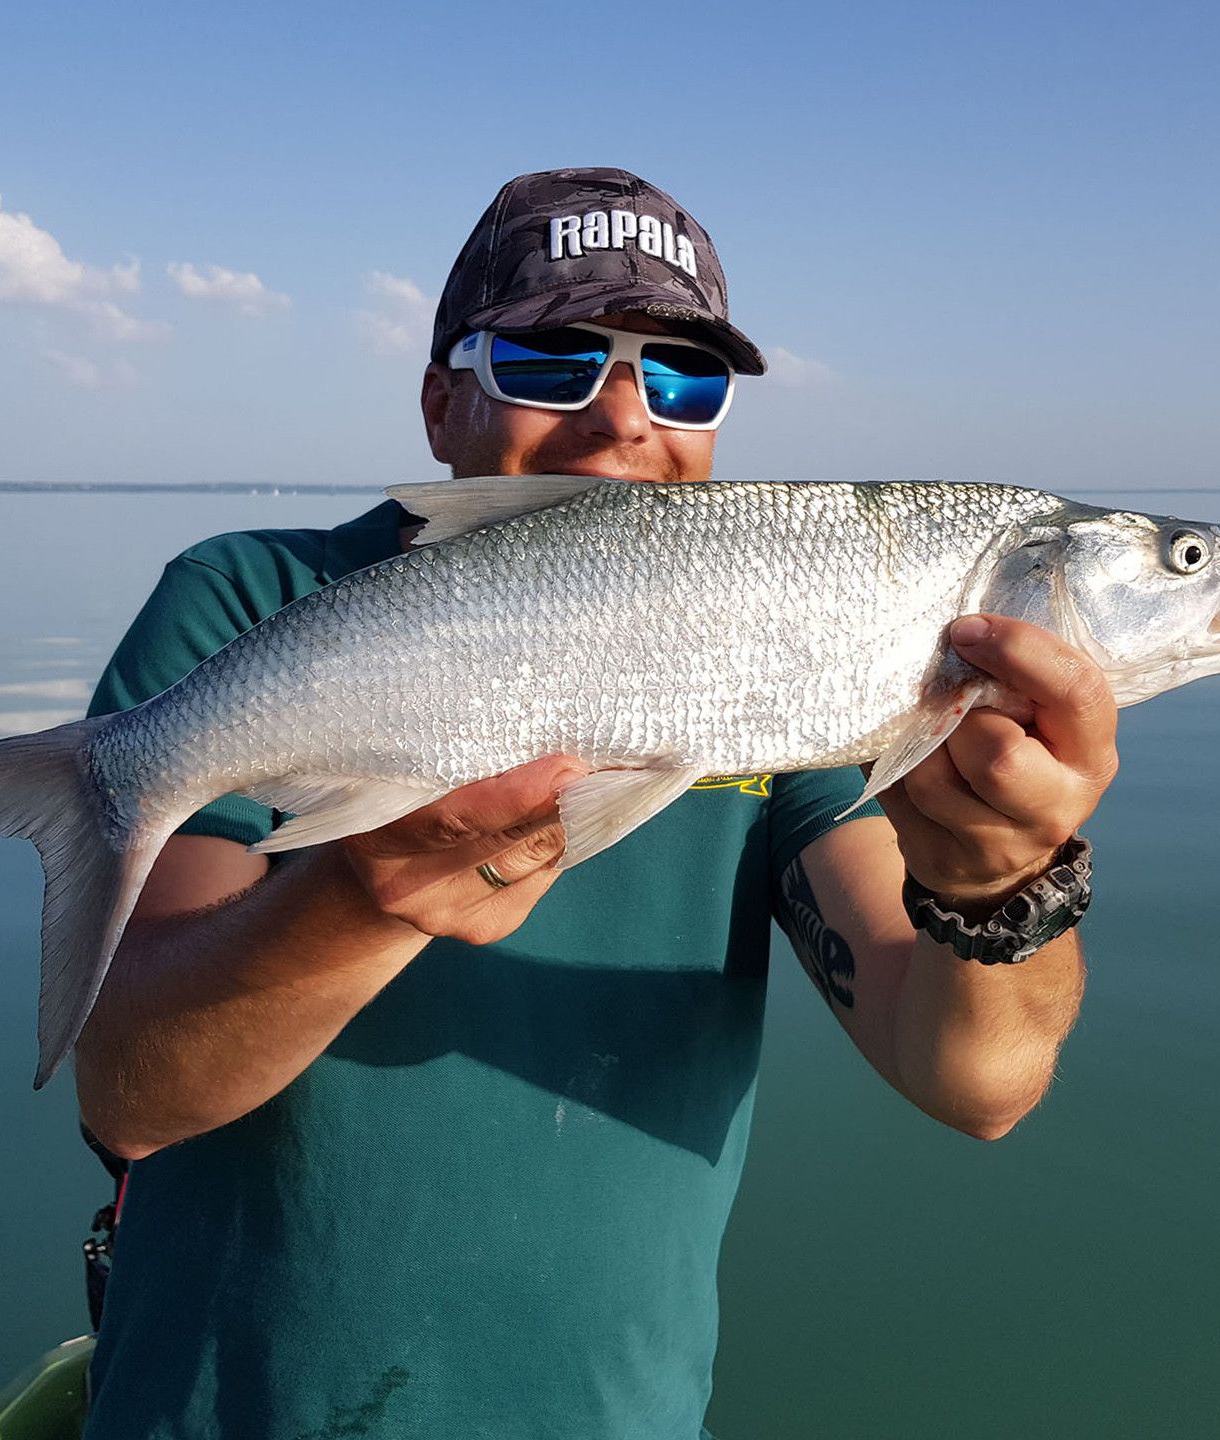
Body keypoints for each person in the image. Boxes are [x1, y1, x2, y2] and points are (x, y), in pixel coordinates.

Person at [73, 167, 1118, 1439]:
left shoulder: (785, 668)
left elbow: (977, 1083)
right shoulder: (249, 598)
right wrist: (360, 897)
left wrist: (1002, 883)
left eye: (682, 377)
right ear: (441, 399)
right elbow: (128, 1092)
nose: (622, 420)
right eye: (552, 360)